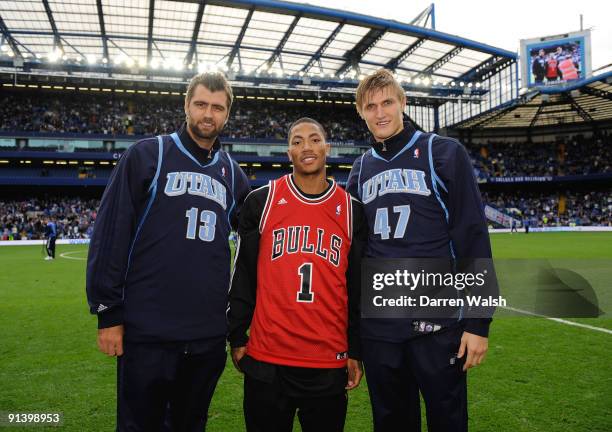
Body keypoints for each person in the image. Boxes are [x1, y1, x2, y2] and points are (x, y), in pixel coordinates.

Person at [86, 72, 250, 431]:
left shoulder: (233, 174)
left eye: (218, 107)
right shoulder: (148, 155)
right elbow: (112, 234)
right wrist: (108, 313)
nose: (209, 114)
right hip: (148, 331)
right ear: (187, 105)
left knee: (190, 424)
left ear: (227, 115)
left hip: (207, 334)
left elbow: (255, 247)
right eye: (202, 104)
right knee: (139, 425)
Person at [346, 69, 492, 432]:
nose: (380, 113)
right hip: (380, 330)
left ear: (403, 103)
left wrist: (478, 322)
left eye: (387, 102)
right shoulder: (359, 171)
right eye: (370, 106)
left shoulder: (441, 152)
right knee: (391, 423)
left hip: (437, 325)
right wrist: (353, 338)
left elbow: (472, 234)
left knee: (447, 421)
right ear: (362, 113)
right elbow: (354, 257)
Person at [228, 117, 366, 432]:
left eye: (315, 139)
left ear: (327, 148)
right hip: (267, 359)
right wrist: (237, 335)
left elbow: (356, 290)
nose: (307, 147)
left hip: (328, 360)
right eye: (297, 141)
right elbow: (243, 275)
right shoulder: (260, 201)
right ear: (288, 151)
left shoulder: (352, 210)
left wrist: (355, 350)